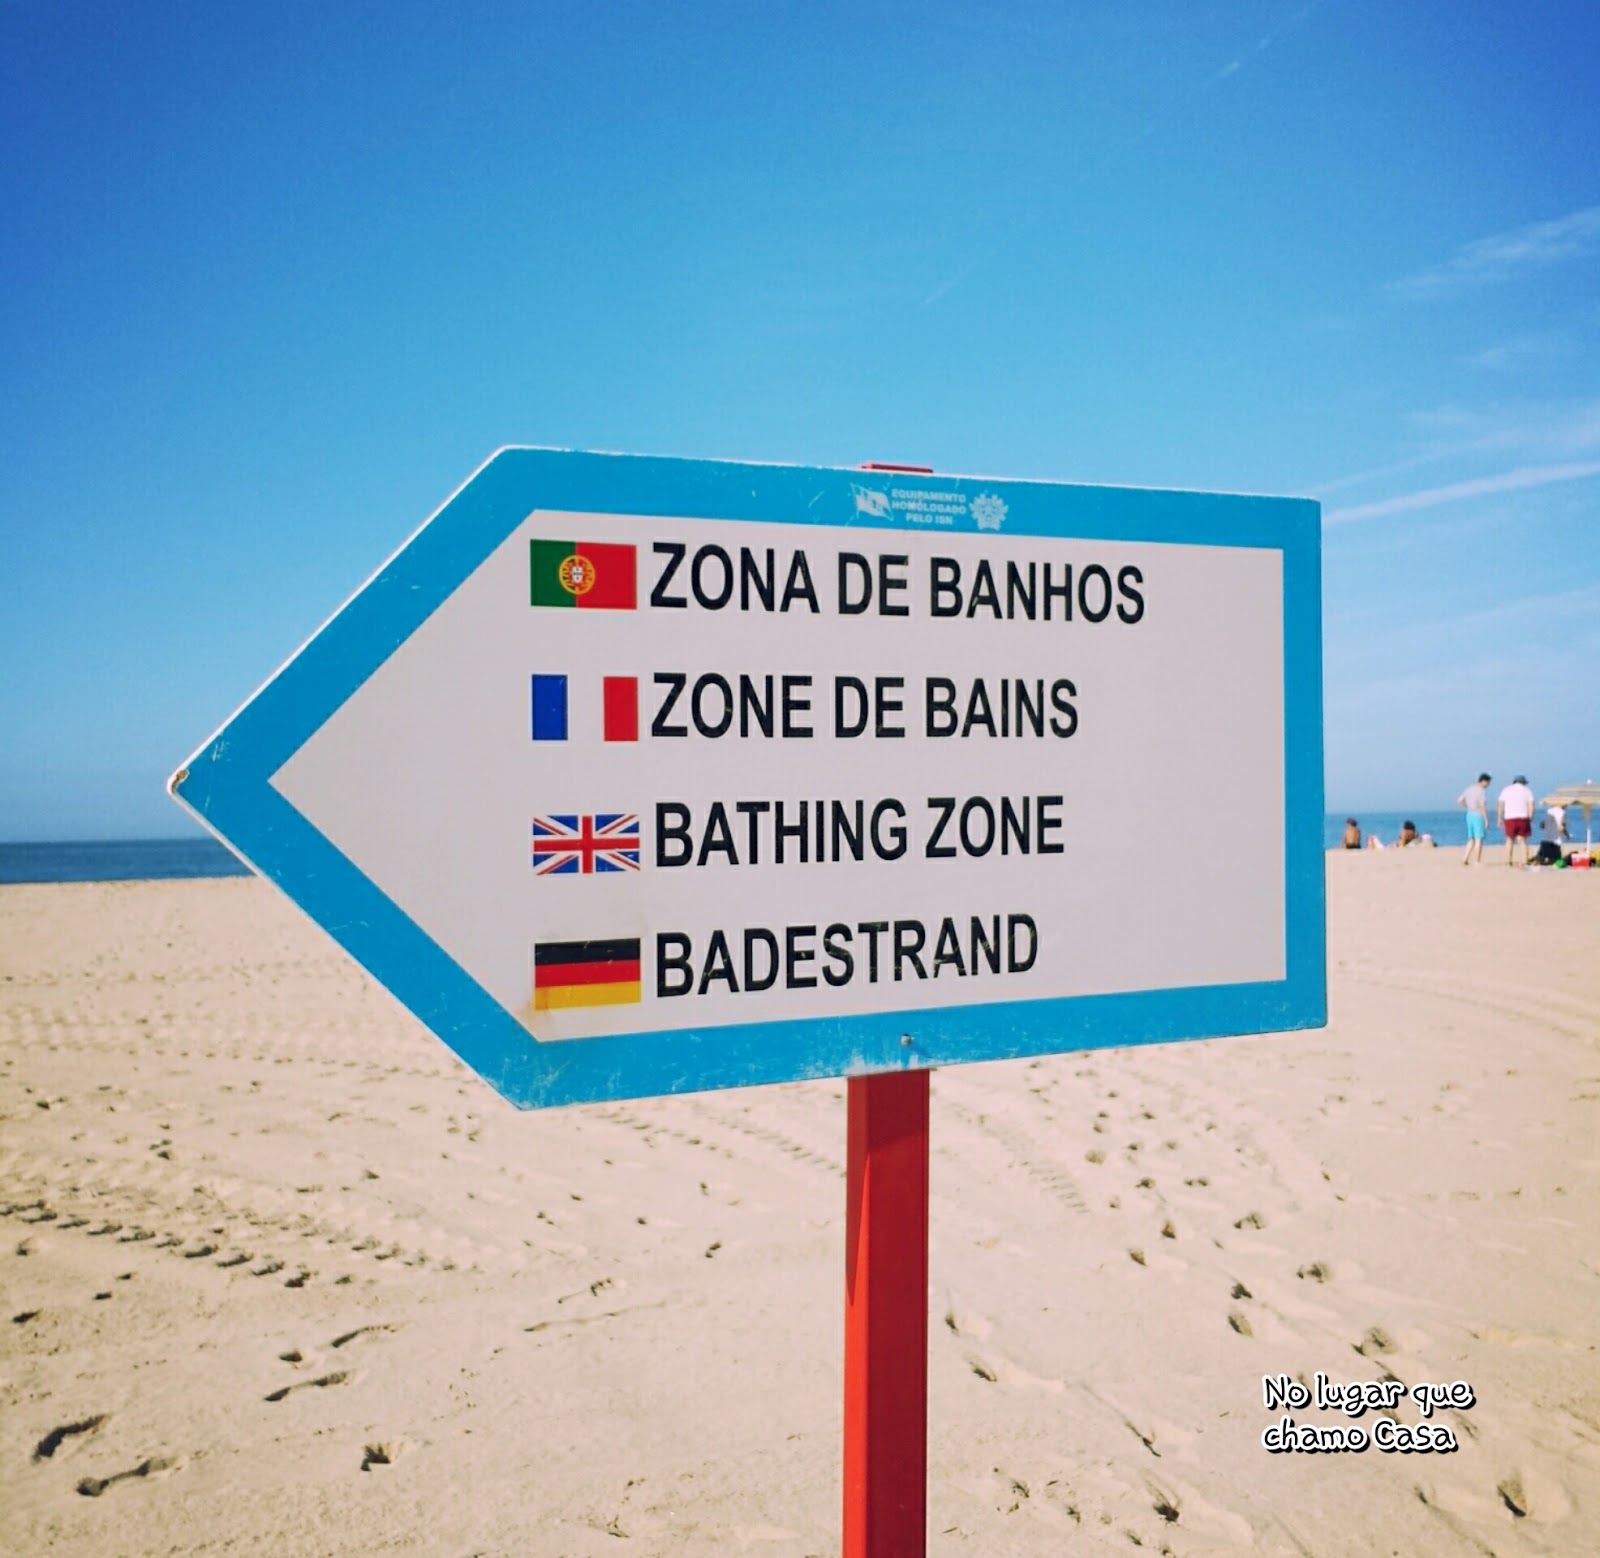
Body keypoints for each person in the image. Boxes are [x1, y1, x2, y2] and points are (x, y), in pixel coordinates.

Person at [1497, 774, 1536, 867]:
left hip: (1509, 817)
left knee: (1509, 839)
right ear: (1523, 782)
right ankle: (1524, 860)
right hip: (1523, 817)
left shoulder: (1506, 790)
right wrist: (1530, 817)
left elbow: (1500, 804)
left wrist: (1499, 817)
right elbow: (1531, 805)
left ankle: (1508, 861)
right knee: (1522, 840)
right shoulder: (1527, 791)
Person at [1457, 772, 1491, 865]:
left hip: (1469, 814)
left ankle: (1465, 858)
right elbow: (1483, 805)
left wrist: (1467, 806)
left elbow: (1459, 800)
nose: (1488, 785)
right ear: (1484, 781)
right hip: (1478, 814)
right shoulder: (1481, 791)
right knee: (1478, 838)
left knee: (1471, 838)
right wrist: (1486, 820)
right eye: (1488, 783)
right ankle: (1477, 860)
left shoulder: (1469, 789)